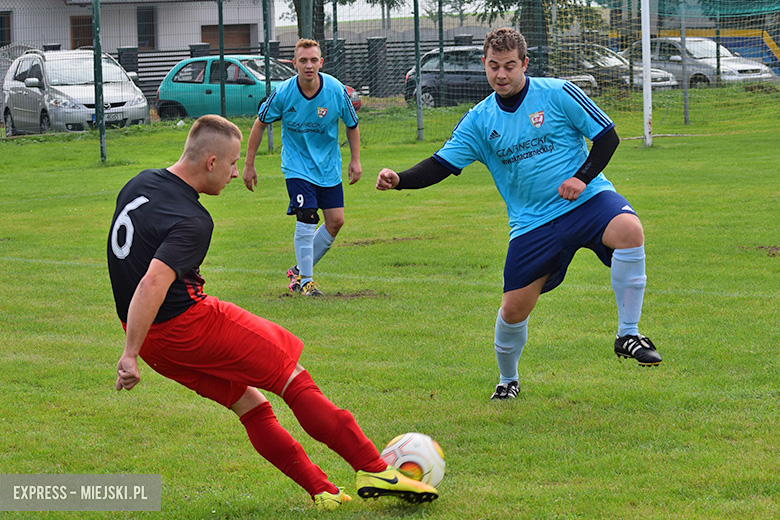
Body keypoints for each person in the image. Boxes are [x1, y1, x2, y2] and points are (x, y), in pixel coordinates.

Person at [107, 115, 438, 510]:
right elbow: (152, 283)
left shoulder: (139, 183)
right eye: (232, 164)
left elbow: (129, 265)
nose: (235, 174)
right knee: (293, 380)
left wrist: (136, 346)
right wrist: (127, 355)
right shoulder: (194, 220)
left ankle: (323, 491)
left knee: (251, 405)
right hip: (186, 326)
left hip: (151, 341)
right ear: (211, 162)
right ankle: (373, 467)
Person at [376, 28, 662, 400]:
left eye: (510, 66)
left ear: (524, 64)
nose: (501, 75)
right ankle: (507, 379)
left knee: (629, 229)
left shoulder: (557, 93)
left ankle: (628, 334)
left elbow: (607, 135)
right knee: (512, 311)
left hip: (587, 201)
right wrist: (400, 180)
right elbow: (441, 164)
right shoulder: (480, 119)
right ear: (484, 65)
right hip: (532, 224)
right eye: (493, 66)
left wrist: (581, 177)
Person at [243, 38, 361, 296]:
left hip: (328, 167)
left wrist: (355, 160)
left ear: (321, 62)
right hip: (296, 166)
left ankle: (297, 270)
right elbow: (260, 124)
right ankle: (306, 282)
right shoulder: (284, 92)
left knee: (336, 222)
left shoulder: (335, 90)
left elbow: (352, 125)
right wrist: (249, 165)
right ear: (295, 63)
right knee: (307, 215)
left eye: (313, 60)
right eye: (303, 61)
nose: (309, 65)